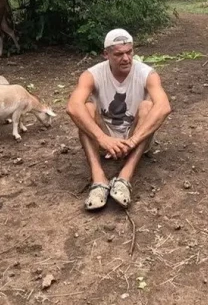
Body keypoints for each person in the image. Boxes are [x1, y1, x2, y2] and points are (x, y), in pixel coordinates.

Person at [66, 28, 172, 210]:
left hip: (136, 137)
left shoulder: (147, 74)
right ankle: (99, 179)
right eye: (119, 54)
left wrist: (133, 141)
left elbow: (164, 107)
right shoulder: (92, 74)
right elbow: (72, 107)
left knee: (148, 106)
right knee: (87, 108)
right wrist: (103, 138)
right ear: (106, 54)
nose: (126, 58)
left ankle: (125, 177)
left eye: (129, 52)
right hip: (104, 139)